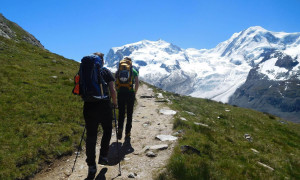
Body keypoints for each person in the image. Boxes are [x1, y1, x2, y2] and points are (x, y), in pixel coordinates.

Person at [82, 52, 117, 179]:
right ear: (102, 61)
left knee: (91, 136)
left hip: (88, 106)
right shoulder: (106, 72)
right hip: (104, 106)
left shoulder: (84, 71)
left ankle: (91, 166)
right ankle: (103, 156)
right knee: (107, 130)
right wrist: (115, 103)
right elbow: (113, 90)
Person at [115, 57, 139, 140]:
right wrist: (134, 93)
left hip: (120, 93)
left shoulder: (119, 70)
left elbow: (115, 83)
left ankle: (120, 128)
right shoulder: (133, 70)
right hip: (130, 93)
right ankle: (128, 133)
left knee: (121, 113)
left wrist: (118, 91)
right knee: (129, 113)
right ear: (130, 62)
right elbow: (137, 83)